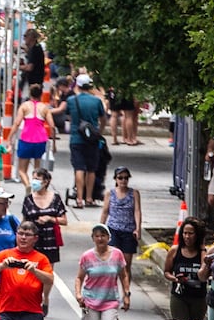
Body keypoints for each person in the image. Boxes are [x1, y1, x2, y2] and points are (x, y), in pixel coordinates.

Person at [76, 224, 130, 320]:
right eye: (97, 235)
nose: (100, 238)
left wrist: (126, 294)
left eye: (103, 235)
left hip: (110, 300)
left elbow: (123, 275)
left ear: (108, 237)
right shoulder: (87, 256)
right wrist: (78, 294)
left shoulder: (117, 254)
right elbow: (79, 278)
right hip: (91, 300)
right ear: (93, 238)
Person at [0, 221, 54, 320]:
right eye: (20, 234)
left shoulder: (41, 258)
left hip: (32, 311)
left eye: (27, 235)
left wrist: (34, 270)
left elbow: (50, 280)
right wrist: (2, 265)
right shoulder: (5, 254)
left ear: (35, 238)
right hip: (7, 311)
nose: (23, 238)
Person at [67, 78, 106, 206]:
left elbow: (68, 116)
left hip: (76, 138)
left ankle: (79, 198)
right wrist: (98, 131)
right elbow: (103, 118)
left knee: (79, 168)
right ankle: (89, 197)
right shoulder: (96, 101)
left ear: (77, 86)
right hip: (92, 139)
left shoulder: (72, 100)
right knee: (91, 169)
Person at [21, 167, 66, 266]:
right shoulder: (28, 199)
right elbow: (24, 221)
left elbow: (64, 220)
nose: (34, 182)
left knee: (47, 272)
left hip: (50, 241)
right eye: (33, 179)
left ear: (45, 182)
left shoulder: (56, 199)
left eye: (37, 179)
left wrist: (50, 218)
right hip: (32, 242)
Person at [13, 84, 51, 188]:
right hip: (40, 140)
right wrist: (54, 143)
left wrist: (9, 138)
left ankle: (28, 185)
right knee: (38, 168)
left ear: (30, 94)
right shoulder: (44, 108)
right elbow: (52, 125)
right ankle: (37, 188)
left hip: (26, 139)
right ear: (41, 94)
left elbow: (17, 123)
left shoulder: (24, 106)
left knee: (22, 169)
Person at [101, 167, 142, 260]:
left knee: (126, 263)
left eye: (126, 178)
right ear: (116, 179)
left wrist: (138, 228)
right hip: (113, 230)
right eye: (120, 178)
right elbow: (105, 212)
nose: (123, 180)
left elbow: (137, 211)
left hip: (128, 231)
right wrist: (101, 228)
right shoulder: (110, 193)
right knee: (114, 260)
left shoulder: (134, 193)